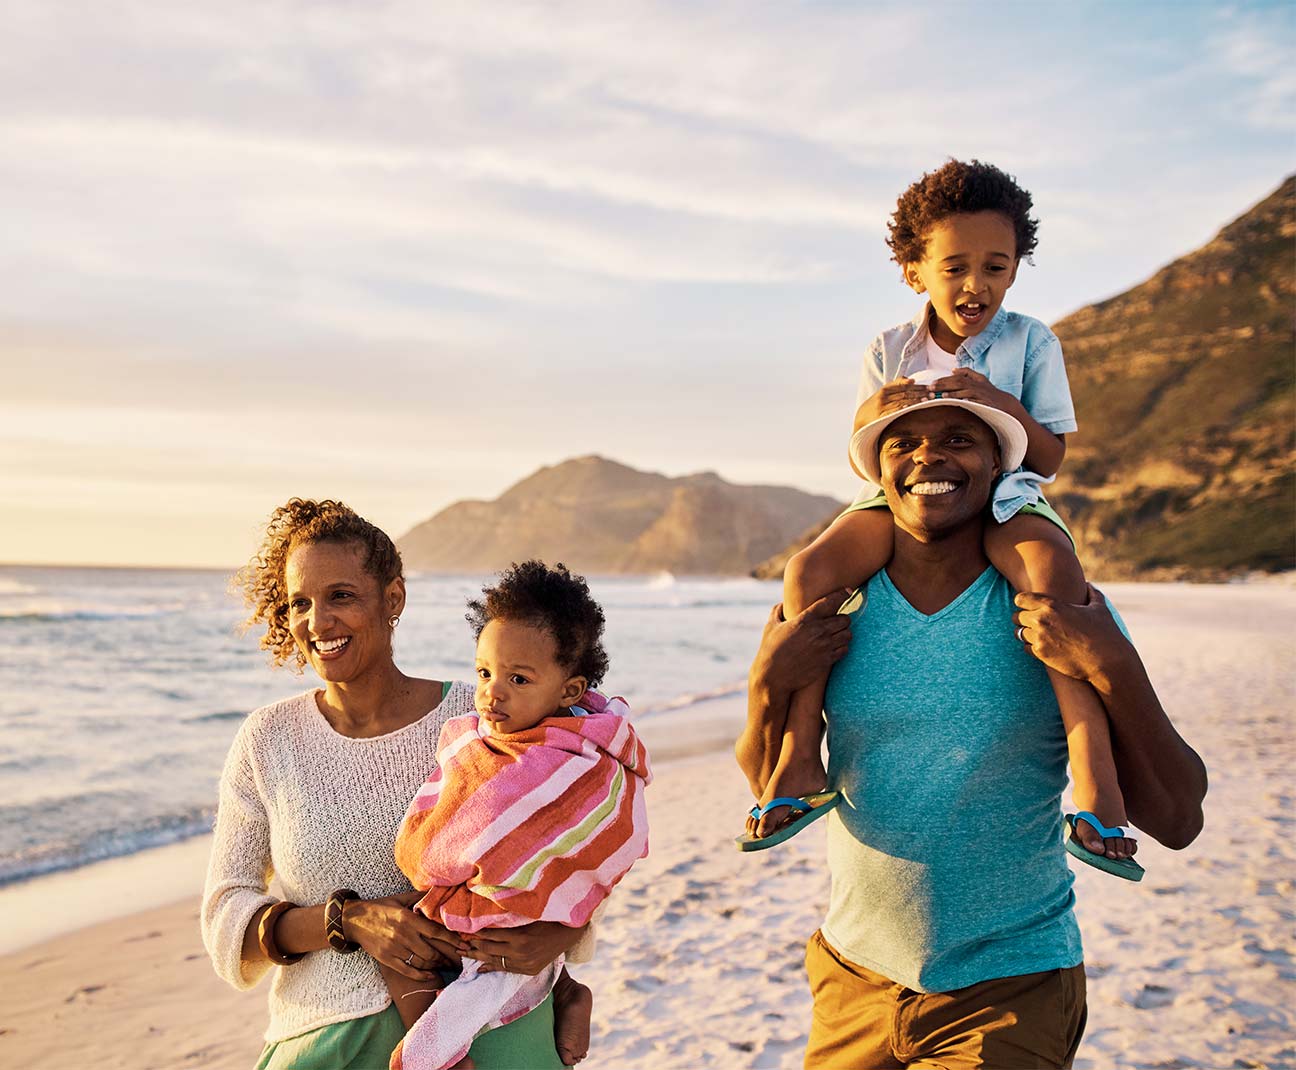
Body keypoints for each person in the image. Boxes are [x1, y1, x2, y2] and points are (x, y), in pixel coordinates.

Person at [735, 396, 1207, 1068]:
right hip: (852, 978)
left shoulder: (1057, 610)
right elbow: (765, 781)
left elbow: (1179, 817)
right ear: (879, 476)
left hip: (1011, 987)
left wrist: (1115, 665)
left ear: (996, 469)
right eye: (903, 445)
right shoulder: (830, 607)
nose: (929, 456)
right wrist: (763, 685)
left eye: (958, 439)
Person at [748, 160, 1135, 877]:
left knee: (1052, 571)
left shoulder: (1032, 343)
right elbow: (867, 457)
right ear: (913, 271)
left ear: (1017, 270)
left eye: (996, 265)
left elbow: (1048, 455)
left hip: (1008, 491)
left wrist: (999, 401)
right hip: (906, 494)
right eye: (954, 266)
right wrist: (882, 408)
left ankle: (1097, 785)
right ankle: (800, 757)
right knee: (809, 569)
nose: (975, 285)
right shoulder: (887, 348)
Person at [201, 499, 594, 1070]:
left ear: (393, 600)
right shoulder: (267, 740)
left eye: (341, 596)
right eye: (299, 603)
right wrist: (350, 921)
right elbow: (225, 917)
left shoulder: (480, 716)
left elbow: (575, 841)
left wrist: (561, 940)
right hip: (327, 1036)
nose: (318, 621)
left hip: (488, 1023)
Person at [386, 561, 651, 1070]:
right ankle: (564, 987)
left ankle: (434, 1054)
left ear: (570, 692)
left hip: (505, 922)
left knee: (429, 964)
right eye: (484, 672)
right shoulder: (476, 738)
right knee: (396, 937)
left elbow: (609, 829)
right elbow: (456, 798)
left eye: (518, 678)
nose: (492, 692)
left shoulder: (577, 758)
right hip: (490, 916)